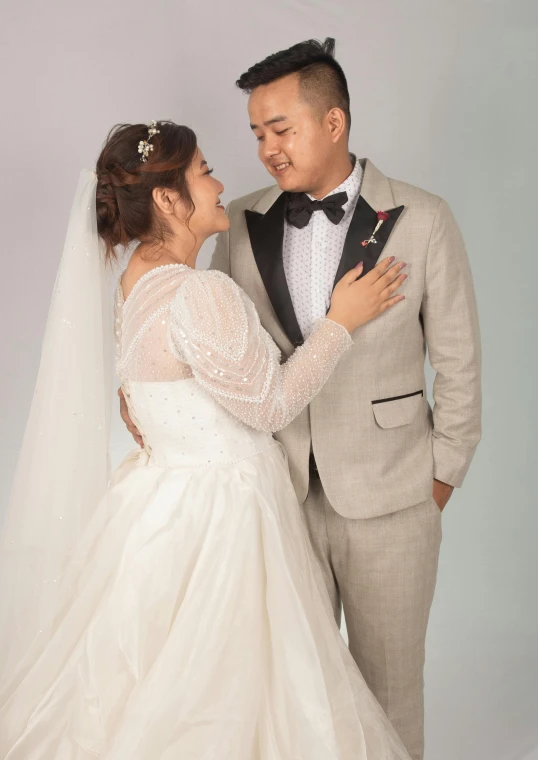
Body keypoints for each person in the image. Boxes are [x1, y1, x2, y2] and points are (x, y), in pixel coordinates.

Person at [0, 120, 412, 758]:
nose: (222, 184)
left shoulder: (135, 280)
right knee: (234, 689)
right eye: (205, 171)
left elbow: (145, 392)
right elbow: (272, 404)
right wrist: (340, 322)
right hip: (227, 520)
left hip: (158, 510)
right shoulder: (200, 292)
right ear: (167, 199)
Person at [122, 39, 482, 760]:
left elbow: (460, 364)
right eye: (256, 133)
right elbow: (225, 362)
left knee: (389, 694)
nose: (265, 150)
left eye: (279, 129)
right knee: (295, 701)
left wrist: (437, 479)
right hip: (275, 500)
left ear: (333, 123)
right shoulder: (241, 225)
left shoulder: (424, 217)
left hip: (394, 500)